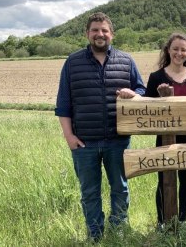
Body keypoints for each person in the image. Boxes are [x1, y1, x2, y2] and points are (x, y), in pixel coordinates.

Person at [55, 12, 146, 242]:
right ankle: (95, 236)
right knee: (90, 193)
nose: (100, 34)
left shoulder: (126, 61)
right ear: (87, 33)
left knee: (120, 189)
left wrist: (134, 94)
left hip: (118, 140)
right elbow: (63, 104)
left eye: (104, 30)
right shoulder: (72, 62)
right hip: (84, 143)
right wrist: (69, 137)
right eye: (95, 30)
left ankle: (118, 233)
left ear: (111, 34)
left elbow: (142, 90)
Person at [144, 32, 186, 228]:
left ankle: (182, 220)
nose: (179, 53)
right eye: (175, 49)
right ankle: (163, 222)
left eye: (183, 49)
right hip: (165, 138)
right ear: (168, 50)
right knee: (165, 180)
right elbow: (147, 110)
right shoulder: (156, 77)